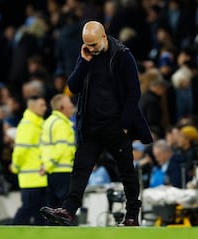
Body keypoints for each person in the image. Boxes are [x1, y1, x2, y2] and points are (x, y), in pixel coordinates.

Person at [40, 21, 153, 227]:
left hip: (116, 126)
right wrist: (84, 61)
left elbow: (133, 91)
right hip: (90, 127)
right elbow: (73, 87)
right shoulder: (87, 55)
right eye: (86, 44)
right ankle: (68, 210)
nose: (90, 48)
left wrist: (125, 124)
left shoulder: (122, 56)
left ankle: (131, 216)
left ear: (103, 37)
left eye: (93, 44)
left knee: (126, 171)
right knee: (80, 169)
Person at [11, 96, 48, 225]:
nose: (45, 108)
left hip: (39, 177)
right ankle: (10, 234)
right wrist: (15, 166)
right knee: (28, 209)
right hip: (31, 178)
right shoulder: (28, 125)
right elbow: (20, 150)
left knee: (41, 213)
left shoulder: (38, 124)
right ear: (32, 107)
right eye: (41, 105)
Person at [40, 94, 76, 209]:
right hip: (62, 170)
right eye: (69, 103)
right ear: (61, 107)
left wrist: (47, 166)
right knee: (65, 208)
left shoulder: (49, 121)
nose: (72, 106)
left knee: (53, 207)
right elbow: (61, 149)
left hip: (52, 171)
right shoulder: (62, 124)